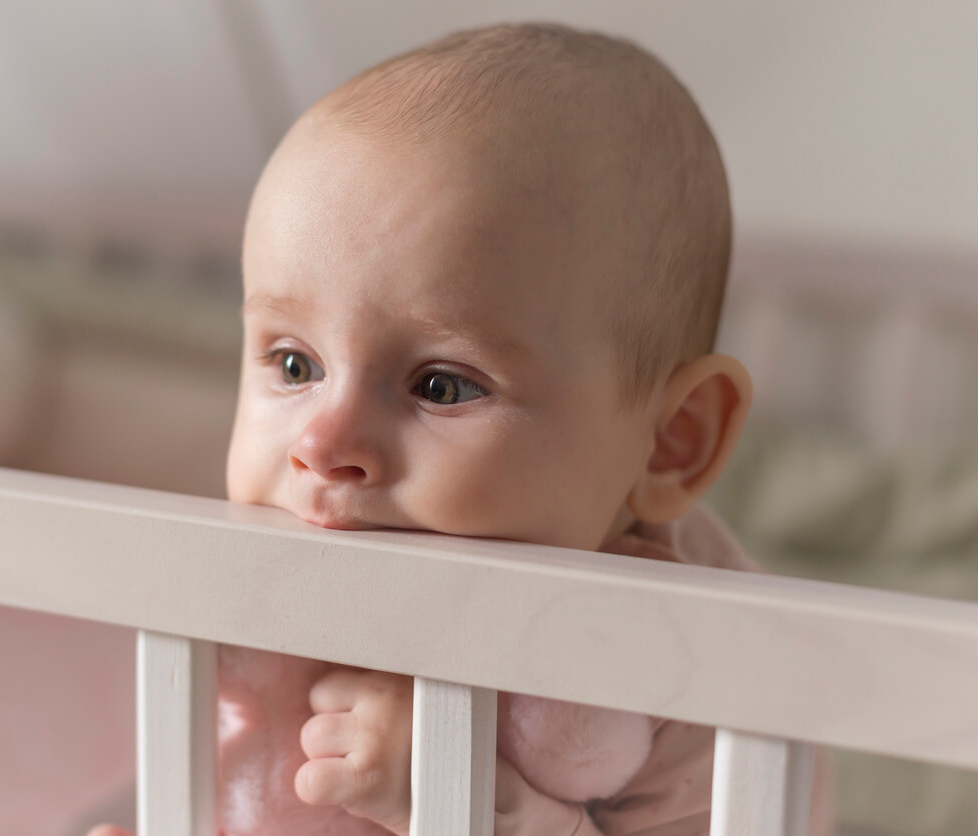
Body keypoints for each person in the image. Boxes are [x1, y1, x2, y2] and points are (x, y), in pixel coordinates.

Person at [91, 22, 833, 836]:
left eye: (441, 385)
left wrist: (457, 798)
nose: (324, 447)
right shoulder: (275, 561)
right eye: (295, 366)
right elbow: (242, 778)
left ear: (669, 442)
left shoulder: (711, 675)